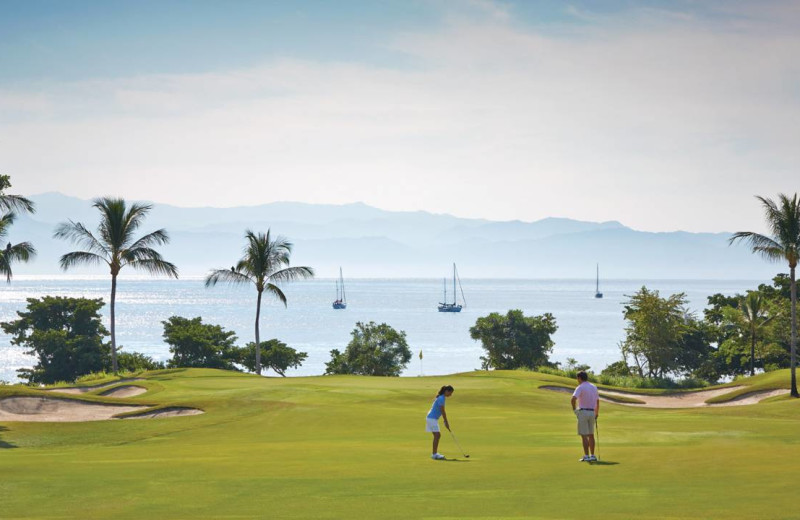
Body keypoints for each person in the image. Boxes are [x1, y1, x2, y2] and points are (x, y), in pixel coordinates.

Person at [571, 371, 599, 462]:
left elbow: (573, 399)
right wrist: (596, 412)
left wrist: (575, 410)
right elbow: (597, 401)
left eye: (577, 378)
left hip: (583, 412)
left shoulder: (580, 387)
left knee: (584, 435)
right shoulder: (594, 387)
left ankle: (586, 456)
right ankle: (593, 455)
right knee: (591, 435)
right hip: (592, 412)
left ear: (579, 378)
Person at [426, 385, 453, 460]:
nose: (451, 395)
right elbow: (442, 411)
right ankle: (434, 454)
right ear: (446, 391)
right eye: (450, 393)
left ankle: (434, 453)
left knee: (437, 435)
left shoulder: (442, 397)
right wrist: (446, 421)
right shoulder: (441, 398)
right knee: (437, 435)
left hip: (432, 418)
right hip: (432, 418)